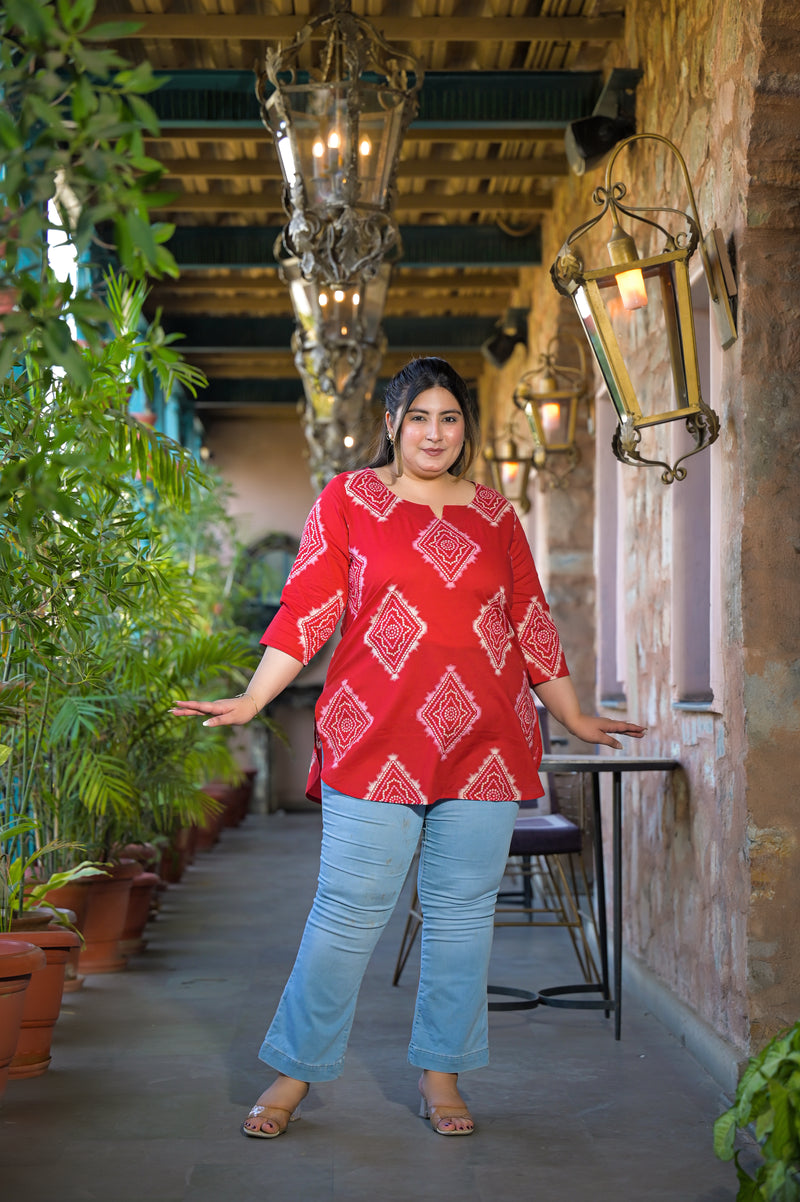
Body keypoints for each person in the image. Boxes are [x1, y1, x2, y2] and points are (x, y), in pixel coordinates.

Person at [171, 356, 645, 1139]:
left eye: (450, 418)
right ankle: (292, 1077)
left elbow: (530, 622)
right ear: (392, 423)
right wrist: (256, 695)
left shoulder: (496, 514)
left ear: (466, 429)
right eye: (419, 416)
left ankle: (442, 1078)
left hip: (486, 741)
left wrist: (578, 715)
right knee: (346, 911)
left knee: (461, 917)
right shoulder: (350, 499)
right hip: (374, 734)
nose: (435, 432)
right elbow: (308, 608)